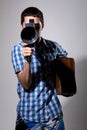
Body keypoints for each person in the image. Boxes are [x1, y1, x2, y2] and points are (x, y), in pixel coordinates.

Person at [11, 7, 68, 130]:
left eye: (37, 26)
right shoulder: (18, 49)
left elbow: (66, 61)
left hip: (53, 115)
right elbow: (26, 84)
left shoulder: (53, 46)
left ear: (43, 25)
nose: (33, 29)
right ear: (22, 26)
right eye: (29, 26)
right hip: (29, 117)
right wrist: (27, 60)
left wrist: (66, 85)